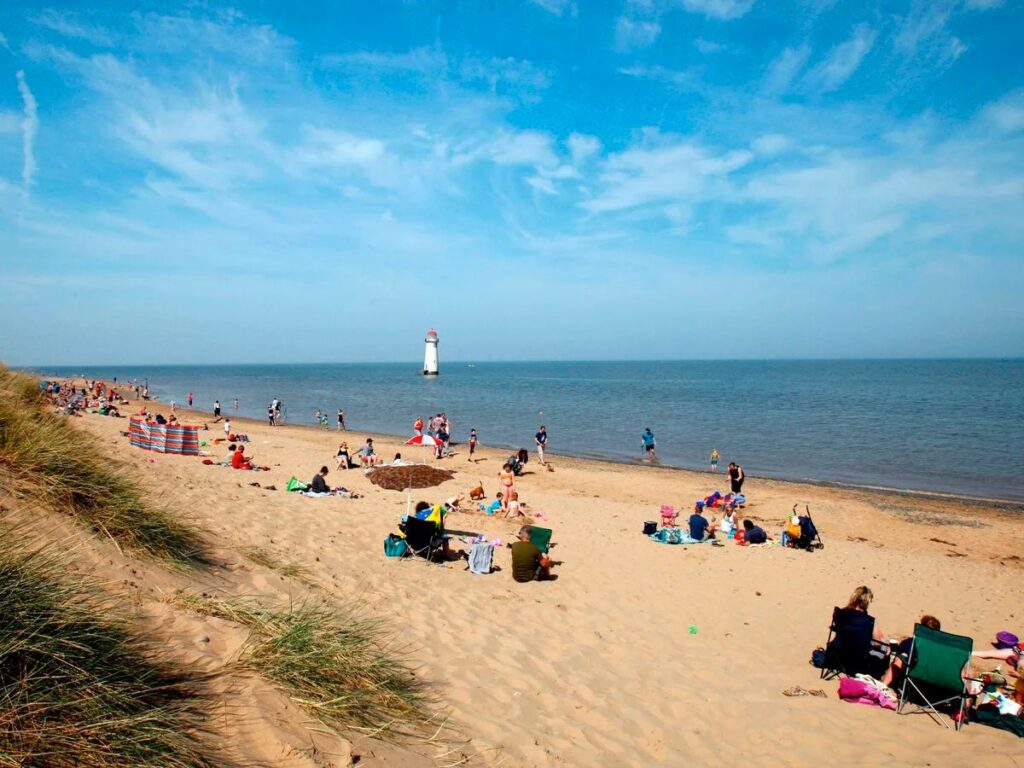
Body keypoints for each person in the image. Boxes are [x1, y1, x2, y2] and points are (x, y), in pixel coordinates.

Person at [881, 615, 942, 688]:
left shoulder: (913, 643)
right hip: (929, 679)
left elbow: (902, 649)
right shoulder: (938, 649)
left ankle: (884, 685)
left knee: (900, 657)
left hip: (913, 674)